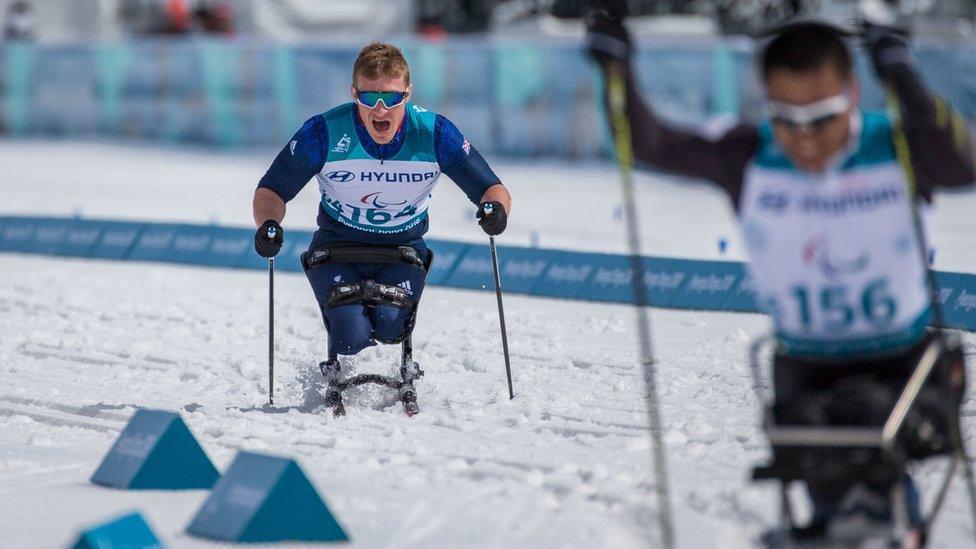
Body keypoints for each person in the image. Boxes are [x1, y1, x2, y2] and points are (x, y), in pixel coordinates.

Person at [586, 1, 974, 543]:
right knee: (826, 468)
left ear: (853, 96)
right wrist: (616, 67)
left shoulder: (897, 147)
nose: (805, 139)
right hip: (807, 369)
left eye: (822, 118)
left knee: (866, 460)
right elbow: (646, 143)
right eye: (786, 120)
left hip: (900, 366)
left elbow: (962, 163)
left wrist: (902, 73)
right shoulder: (751, 158)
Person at [252, 42, 511, 412]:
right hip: (337, 247)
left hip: (402, 249)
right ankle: (336, 361)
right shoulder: (324, 132)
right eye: (369, 96)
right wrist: (269, 224)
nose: (379, 109)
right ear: (353, 94)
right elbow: (272, 189)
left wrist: (494, 210)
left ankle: (401, 359)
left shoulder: (434, 133)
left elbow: (493, 188)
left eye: (390, 98)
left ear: (407, 94)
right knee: (350, 335)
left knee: (392, 326)